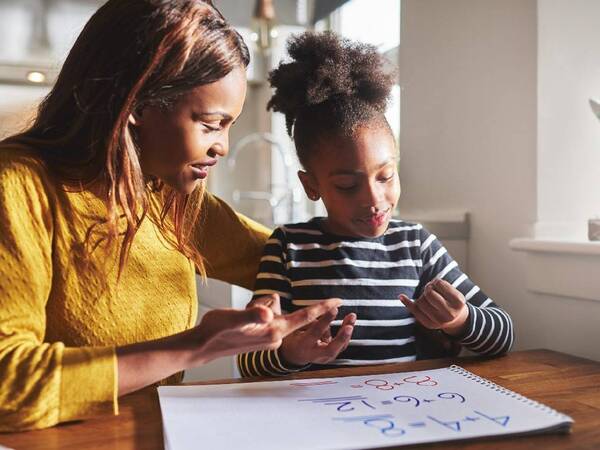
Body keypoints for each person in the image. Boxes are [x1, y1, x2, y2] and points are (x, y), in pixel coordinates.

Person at [0, 1, 344, 432]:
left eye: (229, 125)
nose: (223, 147)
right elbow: (8, 385)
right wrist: (197, 345)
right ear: (138, 106)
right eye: (210, 123)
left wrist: (448, 315)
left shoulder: (169, 197)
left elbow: (300, 263)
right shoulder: (18, 185)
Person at [237, 31, 514, 377]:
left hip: (401, 414)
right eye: (347, 185)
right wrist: (289, 354)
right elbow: (248, 359)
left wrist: (461, 320)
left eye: (386, 176)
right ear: (311, 186)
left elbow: (504, 334)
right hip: (314, 417)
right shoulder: (287, 247)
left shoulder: (415, 245)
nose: (373, 199)